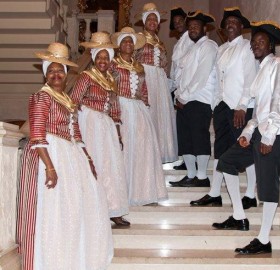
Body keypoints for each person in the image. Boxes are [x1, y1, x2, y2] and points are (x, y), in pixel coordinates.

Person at [16, 42, 113, 270]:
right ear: (45, 74)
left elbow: (76, 133)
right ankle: (48, 260)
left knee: (73, 209)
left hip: (70, 155)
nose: (56, 74)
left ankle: (71, 258)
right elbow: (38, 134)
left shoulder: (68, 101)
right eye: (51, 70)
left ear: (67, 74)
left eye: (60, 70)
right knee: (53, 210)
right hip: (49, 155)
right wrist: (49, 167)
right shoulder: (42, 98)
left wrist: (87, 159)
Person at [212, 21, 280, 255]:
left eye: (261, 42)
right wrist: (248, 133)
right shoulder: (261, 71)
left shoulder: (279, 65)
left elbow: (279, 101)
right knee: (226, 162)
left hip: (275, 133)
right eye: (254, 42)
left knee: (267, 185)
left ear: (271, 45)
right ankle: (239, 216)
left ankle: (264, 239)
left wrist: (268, 137)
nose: (256, 45)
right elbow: (258, 110)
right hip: (260, 131)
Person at [190, 7, 258, 207]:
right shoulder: (221, 50)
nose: (230, 25)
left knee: (244, 151)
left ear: (241, 26)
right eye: (227, 22)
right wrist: (215, 104)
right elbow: (219, 80)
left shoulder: (246, 47)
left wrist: (242, 106)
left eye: (234, 22)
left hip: (239, 108)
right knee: (221, 151)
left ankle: (251, 195)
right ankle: (215, 194)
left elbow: (250, 79)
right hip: (222, 107)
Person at [71, 32, 130, 226]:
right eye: (99, 57)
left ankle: (112, 209)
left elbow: (115, 108)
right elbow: (74, 103)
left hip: (106, 127)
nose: (103, 61)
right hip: (89, 124)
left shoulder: (112, 81)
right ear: (94, 58)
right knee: (93, 164)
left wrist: (118, 132)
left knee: (110, 167)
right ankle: (90, 210)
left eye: (106, 57)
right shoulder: (86, 77)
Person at [110, 27, 168, 206]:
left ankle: (142, 193)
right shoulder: (112, 64)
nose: (128, 44)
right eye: (125, 41)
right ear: (119, 45)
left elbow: (144, 90)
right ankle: (120, 195)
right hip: (120, 107)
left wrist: (146, 104)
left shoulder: (139, 65)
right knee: (124, 150)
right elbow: (109, 88)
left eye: (131, 41)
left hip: (139, 109)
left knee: (142, 150)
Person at [170, 10, 217, 188]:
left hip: (199, 100)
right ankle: (190, 175)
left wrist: (184, 95)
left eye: (196, 26)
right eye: (190, 27)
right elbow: (182, 74)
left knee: (199, 138)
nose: (192, 29)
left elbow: (201, 75)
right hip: (184, 100)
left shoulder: (209, 46)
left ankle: (202, 176)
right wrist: (178, 95)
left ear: (205, 28)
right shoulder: (190, 49)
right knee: (185, 139)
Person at [135, 2, 178, 164]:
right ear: (144, 21)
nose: (152, 22)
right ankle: (146, 151)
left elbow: (164, 64)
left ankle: (160, 150)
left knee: (161, 114)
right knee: (148, 114)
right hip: (145, 77)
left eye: (155, 19)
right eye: (149, 19)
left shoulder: (160, 42)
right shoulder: (138, 40)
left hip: (159, 80)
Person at [169, 6, 194, 171]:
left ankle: (192, 162)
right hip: (179, 89)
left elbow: (189, 67)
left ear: (186, 21)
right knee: (183, 129)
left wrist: (183, 91)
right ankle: (186, 160)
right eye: (175, 22)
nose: (178, 24)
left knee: (190, 129)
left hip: (189, 91)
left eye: (180, 21)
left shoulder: (192, 40)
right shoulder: (179, 43)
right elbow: (174, 68)